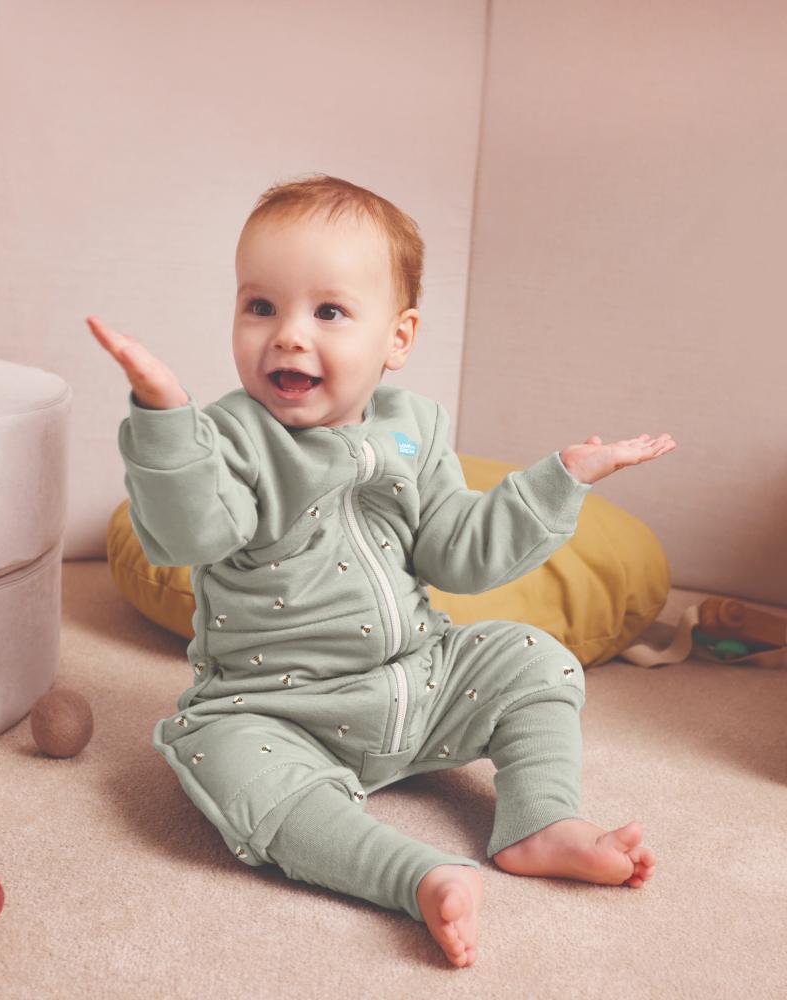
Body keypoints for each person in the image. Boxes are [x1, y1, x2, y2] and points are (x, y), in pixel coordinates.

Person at [87, 173, 671, 969]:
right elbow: (187, 531)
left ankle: (541, 821)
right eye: (261, 306)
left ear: (397, 338)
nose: (289, 334)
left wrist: (559, 479)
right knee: (223, 763)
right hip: (275, 709)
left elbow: (459, 551)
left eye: (328, 311)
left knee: (533, 658)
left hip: (417, 683)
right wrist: (163, 418)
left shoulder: (415, 428)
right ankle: (415, 875)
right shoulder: (230, 436)